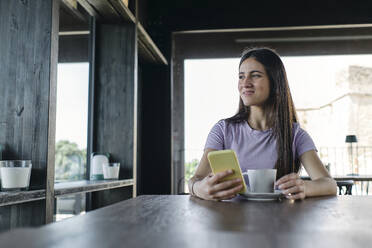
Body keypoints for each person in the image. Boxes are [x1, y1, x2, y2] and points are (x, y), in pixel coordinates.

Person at [188, 47, 337, 201]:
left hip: (279, 220)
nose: (245, 83)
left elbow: (330, 185)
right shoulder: (223, 130)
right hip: (231, 221)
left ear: (275, 83)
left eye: (255, 76)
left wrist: (305, 187)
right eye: (241, 76)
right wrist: (198, 189)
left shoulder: (294, 135)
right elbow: (196, 179)